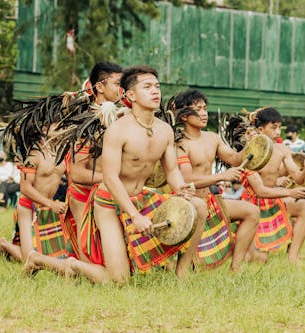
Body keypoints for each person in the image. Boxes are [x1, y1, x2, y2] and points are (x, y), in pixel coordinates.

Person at [24, 66, 207, 283]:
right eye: (147, 87)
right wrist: (134, 216)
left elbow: (172, 171)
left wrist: (181, 187)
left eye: (157, 86)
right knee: (118, 281)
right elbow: (110, 178)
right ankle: (47, 261)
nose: (155, 91)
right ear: (130, 95)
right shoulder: (118, 130)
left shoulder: (165, 130)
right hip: (109, 204)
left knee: (198, 205)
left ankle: (182, 275)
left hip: (140, 198)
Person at [173, 89, 259, 271]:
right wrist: (221, 176)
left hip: (212, 201)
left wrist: (249, 144)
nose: (204, 113)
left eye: (205, 108)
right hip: (187, 202)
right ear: (184, 116)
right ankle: (181, 270)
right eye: (198, 109)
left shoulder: (212, 138)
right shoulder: (179, 143)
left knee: (252, 212)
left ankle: (235, 268)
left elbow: (235, 159)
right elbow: (187, 179)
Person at [0, 96, 78, 264]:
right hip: (29, 207)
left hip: (50, 206)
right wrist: (52, 204)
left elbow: (72, 179)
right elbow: (25, 188)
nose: (63, 129)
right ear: (44, 128)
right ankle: (5, 245)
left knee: (55, 257)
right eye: (58, 126)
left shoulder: (63, 150)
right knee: (29, 259)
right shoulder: (34, 154)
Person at [239, 108, 305, 263]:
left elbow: (297, 177)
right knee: (259, 259)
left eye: (280, 127)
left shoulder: (283, 149)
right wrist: (288, 193)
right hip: (253, 204)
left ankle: (293, 257)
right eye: (273, 128)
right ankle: (242, 246)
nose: (278, 132)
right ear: (261, 129)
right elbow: (259, 191)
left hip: (274, 199)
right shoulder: (251, 151)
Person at [67, 61, 122, 258]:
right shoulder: (85, 123)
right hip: (83, 196)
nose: (122, 89)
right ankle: (38, 260)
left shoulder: (121, 118)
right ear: (99, 86)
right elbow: (77, 173)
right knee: (89, 266)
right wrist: (113, 179)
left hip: (109, 195)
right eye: (117, 83)